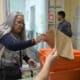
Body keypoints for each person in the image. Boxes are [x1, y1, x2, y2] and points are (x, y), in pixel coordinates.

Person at [0, 12, 46, 80]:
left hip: (17, 70)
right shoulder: (3, 33)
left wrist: (27, 59)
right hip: (5, 73)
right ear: (11, 22)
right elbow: (12, 45)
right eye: (19, 22)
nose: (21, 25)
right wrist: (34, 41)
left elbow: (19, 51)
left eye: (23, 23)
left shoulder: (18, 35)